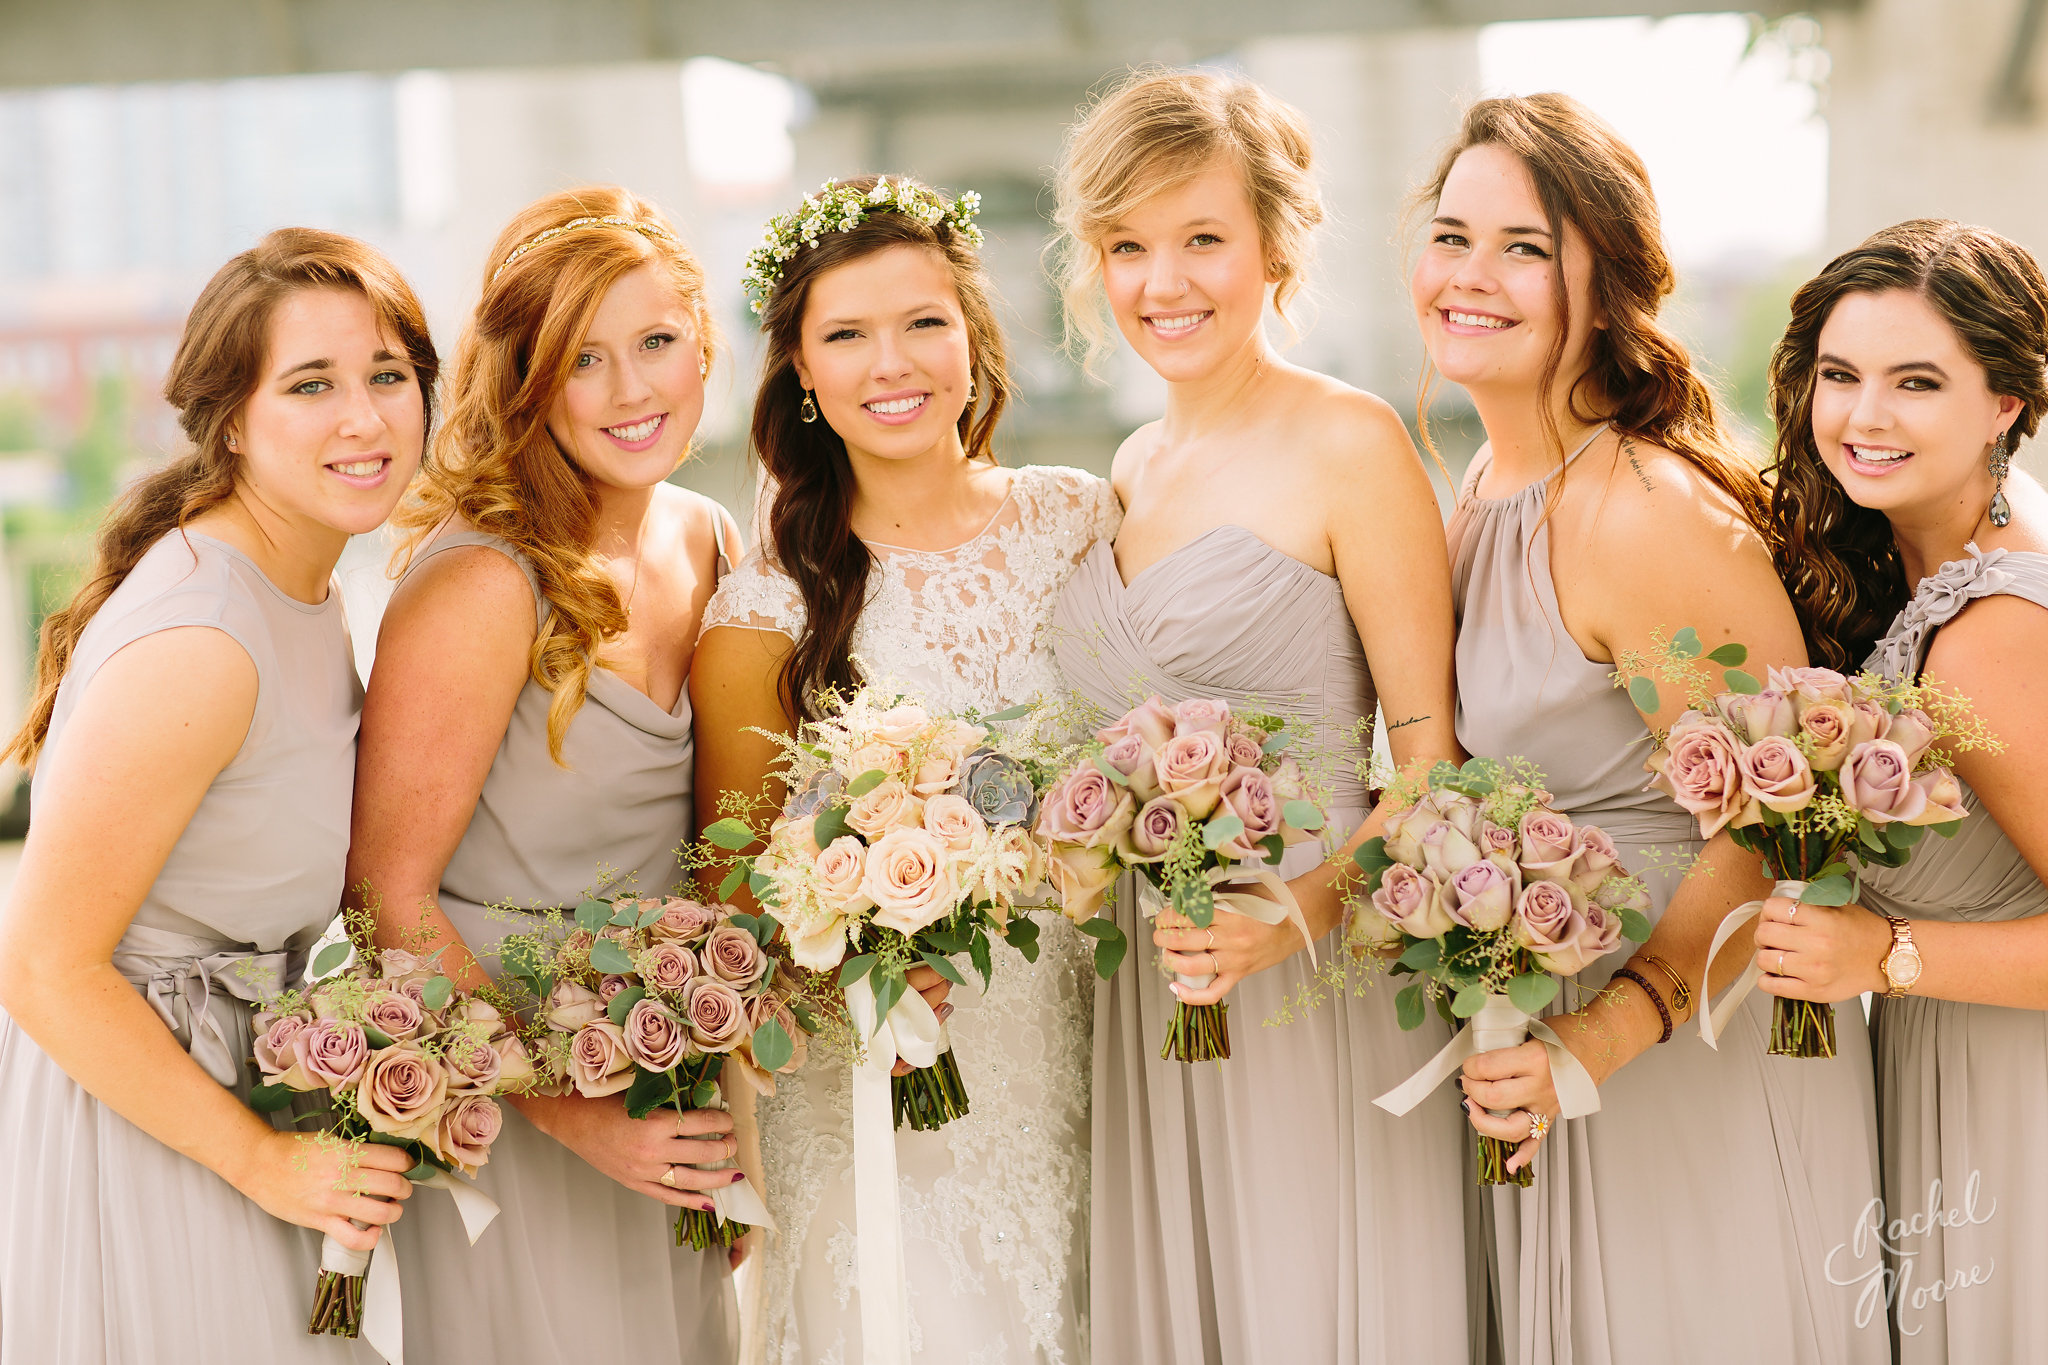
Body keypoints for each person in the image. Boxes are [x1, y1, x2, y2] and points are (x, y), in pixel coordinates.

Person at [1424, 94, 1886, 1363]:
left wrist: (1611, 1026)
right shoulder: (1480, 485)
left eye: (1523, 248)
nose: (1471, 275)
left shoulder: (1641, 512)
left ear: (1607, 282)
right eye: (1451, 235)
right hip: (1546, 1045)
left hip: (1680, 1041)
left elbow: (1776, 817)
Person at [1044, 67, 1470, 1364]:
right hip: (1155, 993)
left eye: (1202, 239)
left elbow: (1433, 758)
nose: (1163, 282)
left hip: (1308, 986)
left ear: (1276, 246)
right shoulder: (1129, 465)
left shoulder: (1352, 444)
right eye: (1128, 247)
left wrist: (1301, 914)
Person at [691, 173, 1118, 1362]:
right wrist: (855, 975)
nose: (893, 363)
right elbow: (734, 892)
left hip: (1090, 1070)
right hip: (880, 1095)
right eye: (845, 335)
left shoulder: (1081, 521)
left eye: (922, 322)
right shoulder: (764, 609)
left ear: (973, 341)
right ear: (804, 379)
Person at [0, 228, 436, 1361]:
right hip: (148, 1129)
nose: (365, 417)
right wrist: (265, 1160)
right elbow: (42, 966)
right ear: (232, 421)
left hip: (239, 1093)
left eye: (389, 375)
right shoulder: (201, 638)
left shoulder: (305, 580)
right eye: (312, 385)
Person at [345, 187, 741, 1361]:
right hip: (515, 1111)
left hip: (671, 1088)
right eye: (584, 360)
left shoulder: (707, 537)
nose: (632, 392)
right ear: (527, 380)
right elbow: (384, 897)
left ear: (703, 344)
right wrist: (577, 1119)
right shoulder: (480, 581)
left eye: (656, 343)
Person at [1748, 219, 2048, 1361]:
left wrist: (1884, 958)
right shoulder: (1924, 564)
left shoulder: (1993, 632)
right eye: (1838, 374)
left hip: (2005, 1105)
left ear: (2004, 402)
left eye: (1914, 381)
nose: (1861, 416)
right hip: (1947, 1077)